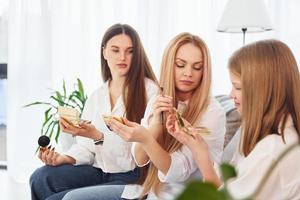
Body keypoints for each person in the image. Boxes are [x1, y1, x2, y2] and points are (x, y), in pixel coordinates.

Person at [87, 32, 225, 200]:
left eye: (197, 67)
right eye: (181, 65)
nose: (188, 73)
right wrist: (155, 127)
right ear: (169, 65)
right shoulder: (158, 99)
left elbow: (176, 172)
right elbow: (139, 158)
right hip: (150, 191)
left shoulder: (212, 112)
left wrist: (146, 139)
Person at [29, 23, 159, 200]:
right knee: (39, 178)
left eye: (130, 51)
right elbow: (86, 147)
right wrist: (64, 158)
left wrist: (98, 136)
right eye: (115, 50)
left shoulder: (150, 92)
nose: (123, 57)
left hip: (133, 177)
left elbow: (135, 156)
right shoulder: (97, 96)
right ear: (104, 52)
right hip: (100, 170)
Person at [166, 39, 300, 199]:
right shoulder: (256, 132)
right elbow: (225, 189)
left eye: (237, 87)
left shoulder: (271, 150)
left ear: (262, 92)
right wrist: (198, 149)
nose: (230, 95)